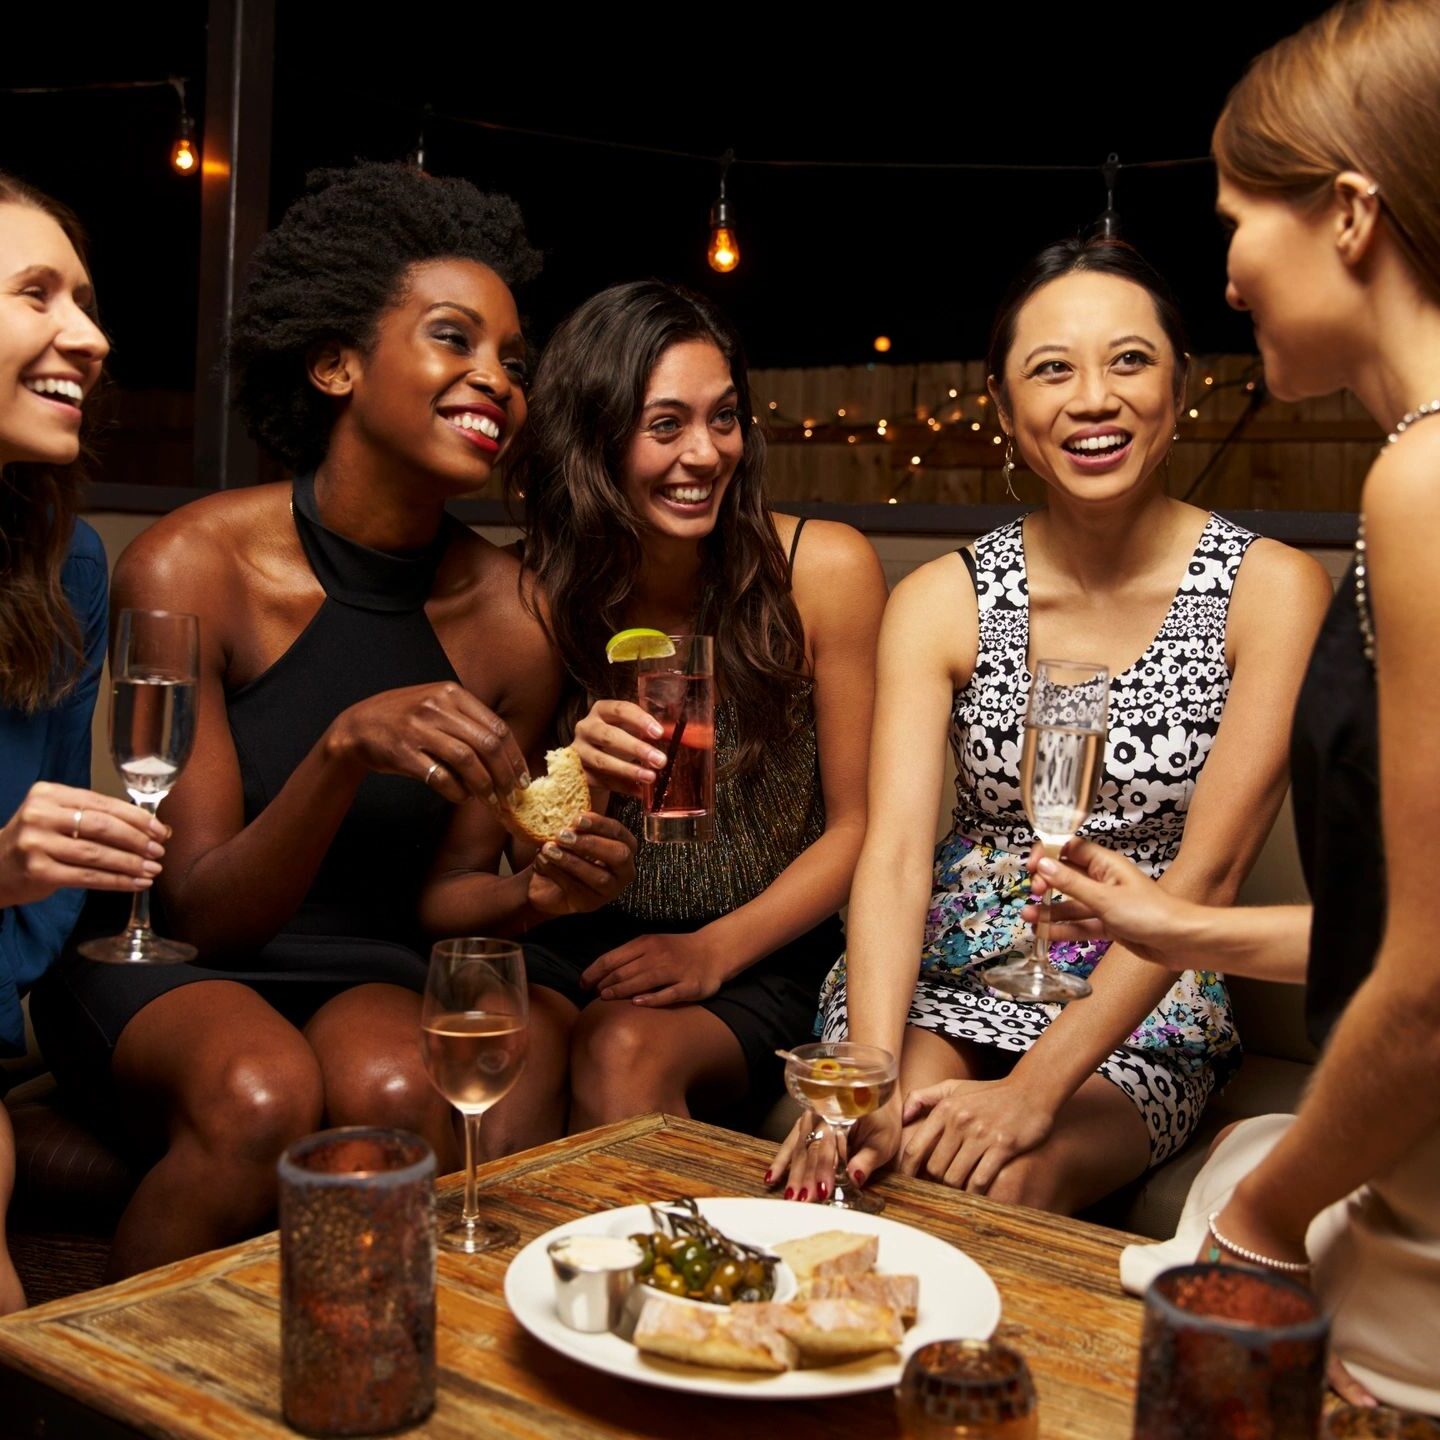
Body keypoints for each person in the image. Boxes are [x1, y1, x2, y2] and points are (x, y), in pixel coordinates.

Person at [30, 163, 636, 1279]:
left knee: (401, 1089)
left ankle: (346, 1376)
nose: (495, 380)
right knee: (260, 1094)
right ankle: (104, 1389)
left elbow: (447, 897)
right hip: (175, 955)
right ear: (334, 363)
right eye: (454, 340)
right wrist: (346, 746)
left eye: (511, 359)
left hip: (379, 954)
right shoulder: (195, 562)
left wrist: (536, 890)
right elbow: (202, 910)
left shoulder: (515, 613)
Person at [1021, 0, 1440, 1412]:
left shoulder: (1425, 484)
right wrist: (1175, 923)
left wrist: (1259, 1238)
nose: (1233, 274)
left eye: (1237, 219)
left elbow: (1434, 991)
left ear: (1350, 212)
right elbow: (1409, 929)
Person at [770, 237, 1332, 1212]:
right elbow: (897, 853)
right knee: (862, 1168)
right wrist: (865, 1073)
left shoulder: (1270, 590)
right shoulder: (945, 598)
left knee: (1001, 1182)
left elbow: (1209, 878)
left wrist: (1033, 1092)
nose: (1093, 399)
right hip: (951, 961)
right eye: (1051, 369)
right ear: (1002, 407)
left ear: (1180, 383)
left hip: (1147, 987)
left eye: (1128, 359)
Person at [479, 280, 887, 1150]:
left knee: (622, 1049)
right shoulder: (532, 594)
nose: (705, 453)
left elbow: (861, 827)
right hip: (576, 934)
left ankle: (668, 1288)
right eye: (665, 426)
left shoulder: (821, 571)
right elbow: (512, 851)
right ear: (595, 435)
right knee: (499, 1065)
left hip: (759, 946)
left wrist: (712, 951)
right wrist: (579, 785)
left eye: (724, 417)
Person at [0, 174, 167, 1311]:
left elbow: (47, 896)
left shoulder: (70, 570)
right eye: (36, 294)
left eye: (89, 299)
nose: (91, 336)